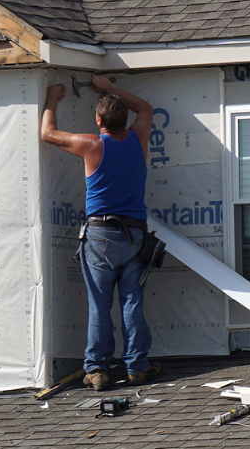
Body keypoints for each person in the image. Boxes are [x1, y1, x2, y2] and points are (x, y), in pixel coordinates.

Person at [42, 76, 162, 390]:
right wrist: (110, 88)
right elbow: (146, 109)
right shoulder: (138, 137)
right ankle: (137, 367)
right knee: (132, 304)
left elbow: (47, 134)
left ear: (98, 121)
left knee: (99, 305)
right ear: (124, 118)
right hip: (135, 235)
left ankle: (97, 370)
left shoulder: (92, 145)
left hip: (100, 237)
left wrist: (53, 97)